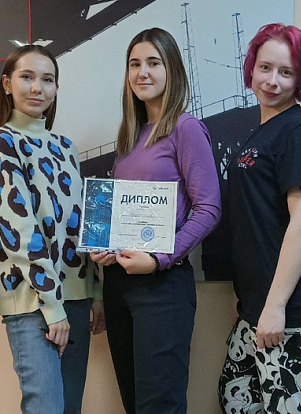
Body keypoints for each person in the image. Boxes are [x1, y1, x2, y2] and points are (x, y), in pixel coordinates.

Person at [90, 27, 221, 413]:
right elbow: (122, 214)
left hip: (162, 287)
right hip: (119, 285)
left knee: (159, 406)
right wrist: (104, 245)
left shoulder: (185, 128)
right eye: (135, 64)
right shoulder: (129, 136)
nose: (142, 72)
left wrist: (161, 257)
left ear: (172, 70)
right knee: (134, 405)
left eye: (153, 63)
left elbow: (209, 208)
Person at [216, 23, 301, 414]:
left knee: (284, 408)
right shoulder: (263, 131)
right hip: (258, 302)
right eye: (265, 68)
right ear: (251, 68)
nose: (272, 80)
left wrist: (274, 306)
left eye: (286, 72)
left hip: (291, 305)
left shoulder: (299, 130)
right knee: (236, 398)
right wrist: (249, 298)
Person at [0, 45, 103, 414]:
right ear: (7, 84)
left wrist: (95, 292)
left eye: (47, 79)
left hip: (76, 298)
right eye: (27, 77)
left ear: (56, 88)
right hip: (32, 301)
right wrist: (52, 306)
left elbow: (81, 225)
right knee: (45, 407)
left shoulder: (65, 147)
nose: (37, 87)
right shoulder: (2, 143)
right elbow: (18, 232)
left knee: (69, 409)